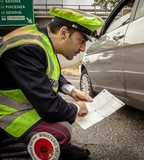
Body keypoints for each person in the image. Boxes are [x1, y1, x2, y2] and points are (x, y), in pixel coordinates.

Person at [0, 7, 104, 159]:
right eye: (81, 41)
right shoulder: (28, 48)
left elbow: (46, 72)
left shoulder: (41, 39)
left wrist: (72, 91)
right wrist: (77, 107)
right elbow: (50, 108)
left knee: (62, 117)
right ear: (63, 32)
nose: (83, 48)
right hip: (6, 115)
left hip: (22, 107)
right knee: (62, 131)